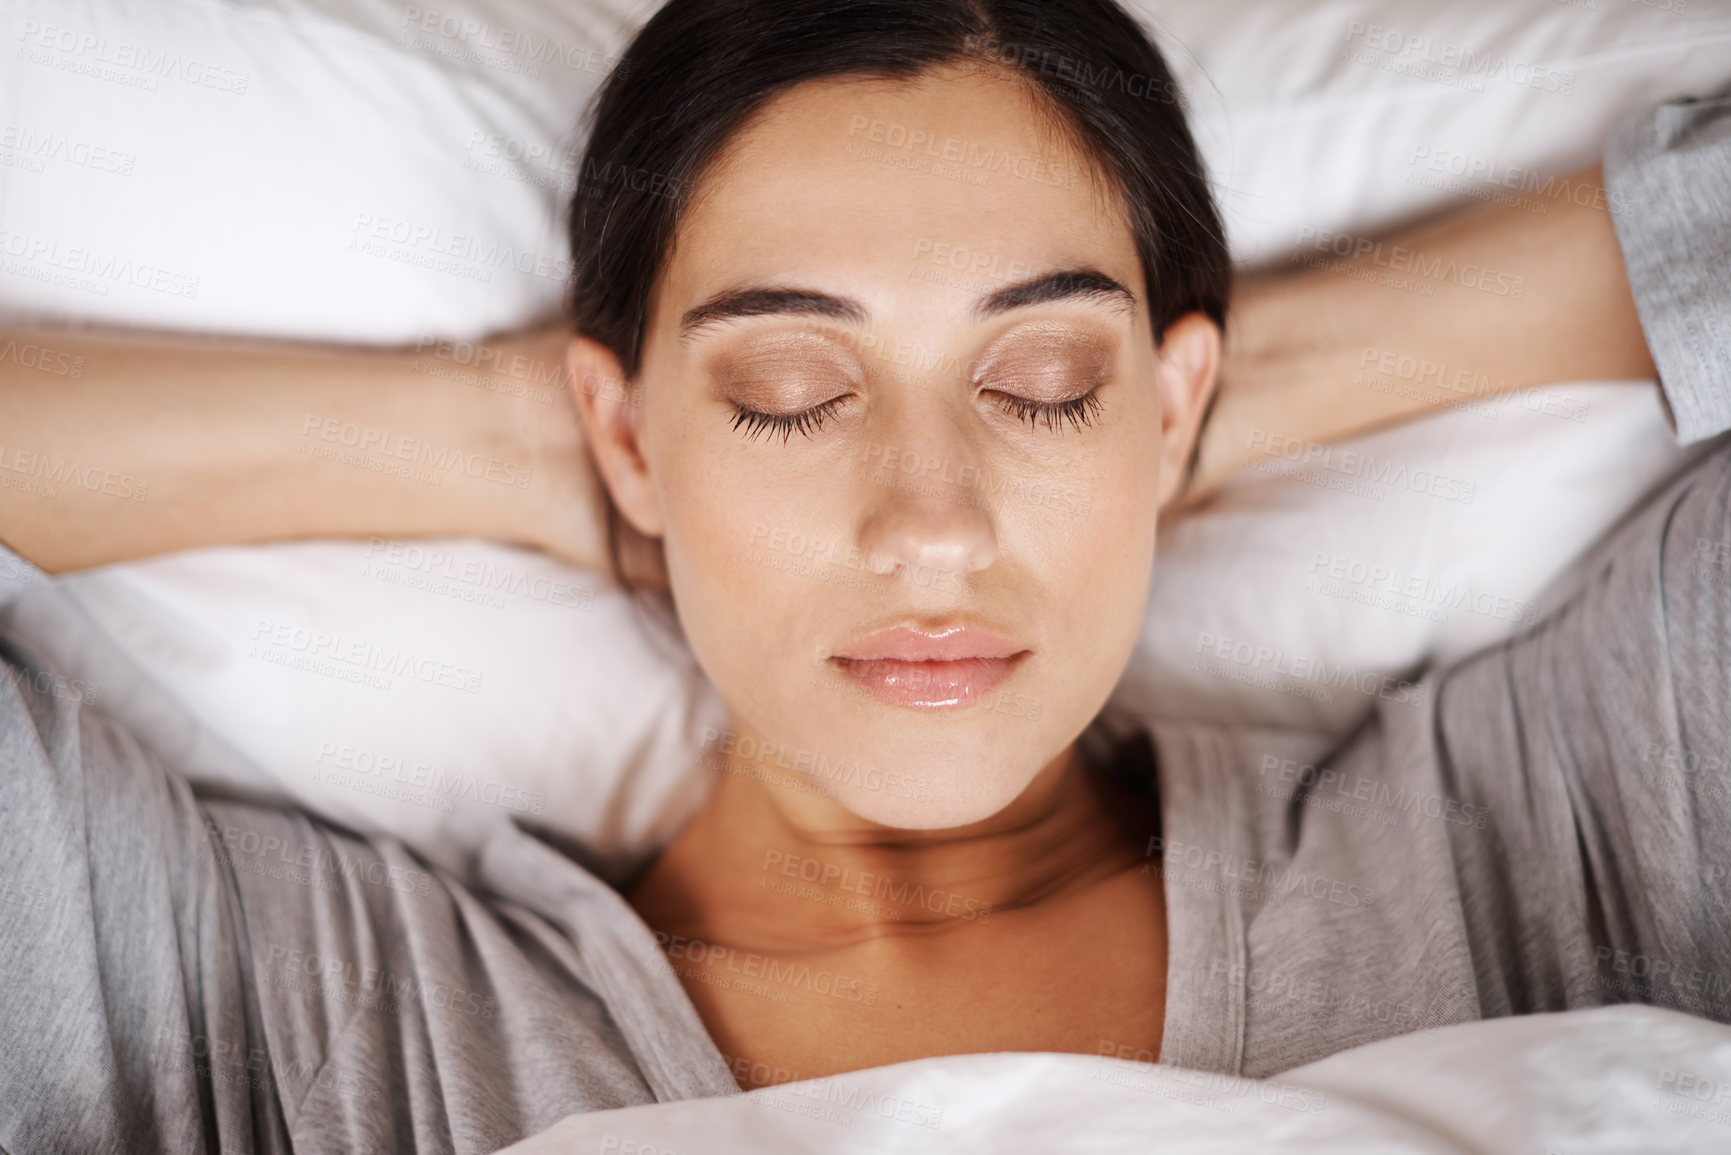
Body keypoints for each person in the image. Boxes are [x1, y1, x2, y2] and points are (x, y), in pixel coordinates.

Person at [0, 0, 1726, 1151]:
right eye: (786, 398)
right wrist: (486, 441)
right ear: (628, 436)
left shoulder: (1549, 837)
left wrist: (1243, 395)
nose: (932, 523)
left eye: (1044, 383)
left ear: (1172, 396)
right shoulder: (313, 1025)